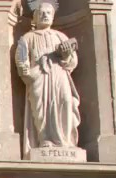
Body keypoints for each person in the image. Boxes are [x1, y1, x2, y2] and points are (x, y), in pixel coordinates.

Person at [15, 0, 81, 151]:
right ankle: (45, 139)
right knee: (41, 107)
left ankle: (65, 140)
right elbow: (21, 57)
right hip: (39, 76)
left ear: (53, 17)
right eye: (41, 13)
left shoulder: (60, 36)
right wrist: (24, 69)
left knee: (65, 101)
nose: (45, 15)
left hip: (59, 74)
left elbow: (73, 61)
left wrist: (66, 55)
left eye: (48, 13)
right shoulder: (28, 37)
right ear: (35, 17)